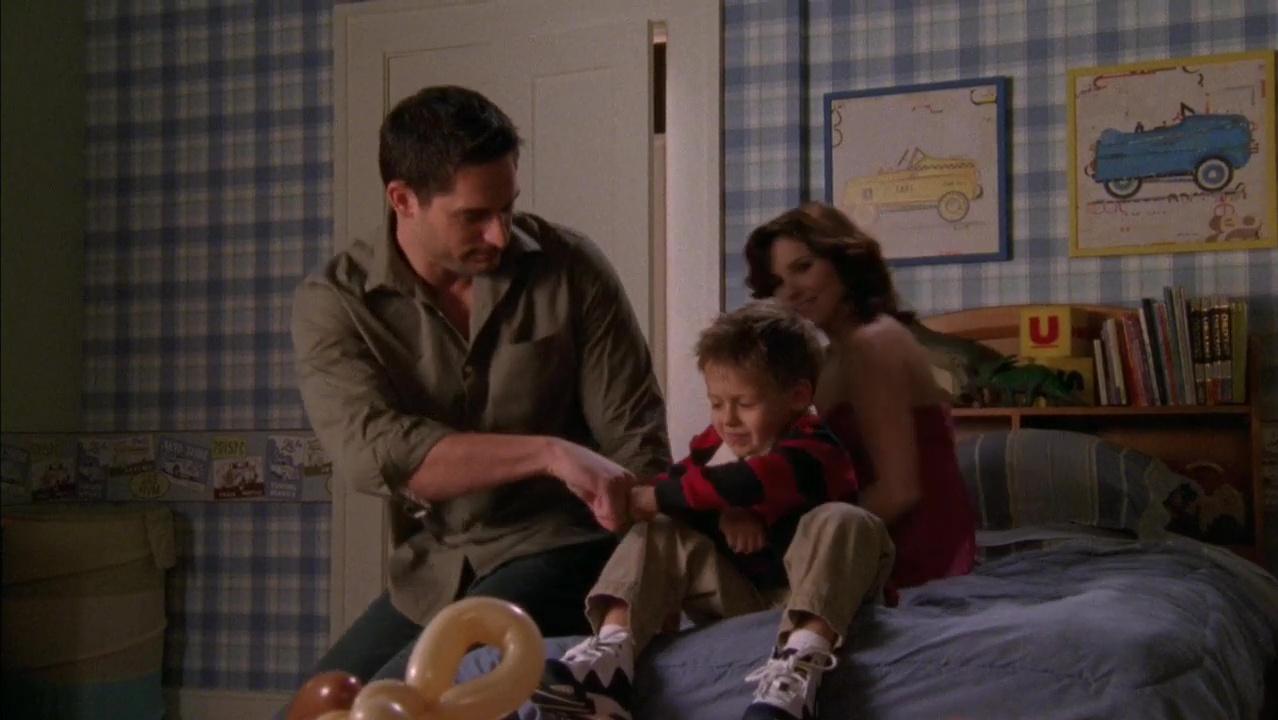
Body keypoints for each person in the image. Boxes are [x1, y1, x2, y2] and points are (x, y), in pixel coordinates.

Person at [289, 85, 670, 685]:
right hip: (436, 568)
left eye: (508, 209)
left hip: (567, 547)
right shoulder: (334, 302)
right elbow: (377, 454)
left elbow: (637, 444)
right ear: (402, 199)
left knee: (404, 701)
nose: (499, 234)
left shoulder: (570, 267)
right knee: (315, 707)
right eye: (474, 217)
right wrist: (549, 453)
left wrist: (640, 581)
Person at [531, 302, 894, 720]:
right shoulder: (713, 449)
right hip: (747, 600)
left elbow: (753, 481)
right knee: (661, 528)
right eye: (717, 403)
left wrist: (720, 503)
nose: (728, 420)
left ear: (798, 396)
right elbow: (680, 491)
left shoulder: (817, 449)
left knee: (845, 520)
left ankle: (798, 669)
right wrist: (723, 514)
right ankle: (611, 661)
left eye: (745, 403)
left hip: (824, 599)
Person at [743, 201, 976, 593]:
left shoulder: (875, 344)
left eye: (804, 267)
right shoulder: (830, 357)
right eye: (778, 281)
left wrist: (805, 546)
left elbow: (899, 492)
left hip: (913, 552)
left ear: (844, 262)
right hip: (865, 535)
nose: (791, 291)